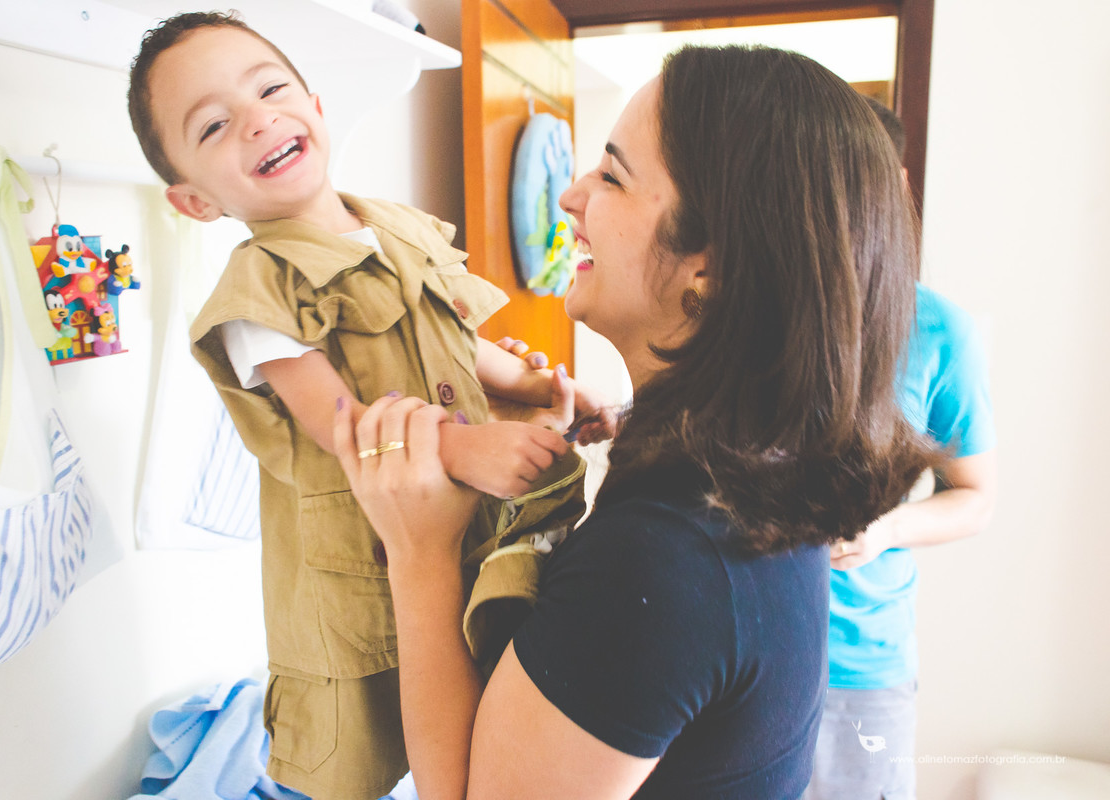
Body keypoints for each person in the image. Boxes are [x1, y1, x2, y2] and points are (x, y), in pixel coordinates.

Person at [331, 44, 944, 799]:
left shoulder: (666, 557)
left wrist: (418, 549)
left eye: (612, 176)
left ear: (709, 269)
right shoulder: (764, 474)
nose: (572, 197)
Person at [126, 12, 613, 799]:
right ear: (194, 201)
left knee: (481, 691)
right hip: (366, 560)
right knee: (369, 745)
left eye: (271, 89)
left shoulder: (398, 231)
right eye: (215, 126)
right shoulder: (258, 295)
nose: (258, 120)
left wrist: (537, 387)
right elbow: (342, 424)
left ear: (316, 107)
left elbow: (459, 338)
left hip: (463, 527)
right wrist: (465, 451)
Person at [805, 97, 998, 800]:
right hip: (748, 654)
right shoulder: (753, 312)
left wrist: (885, 528)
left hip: (862, 670)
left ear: (897, 190)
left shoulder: (943, 332)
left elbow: (974, 497)